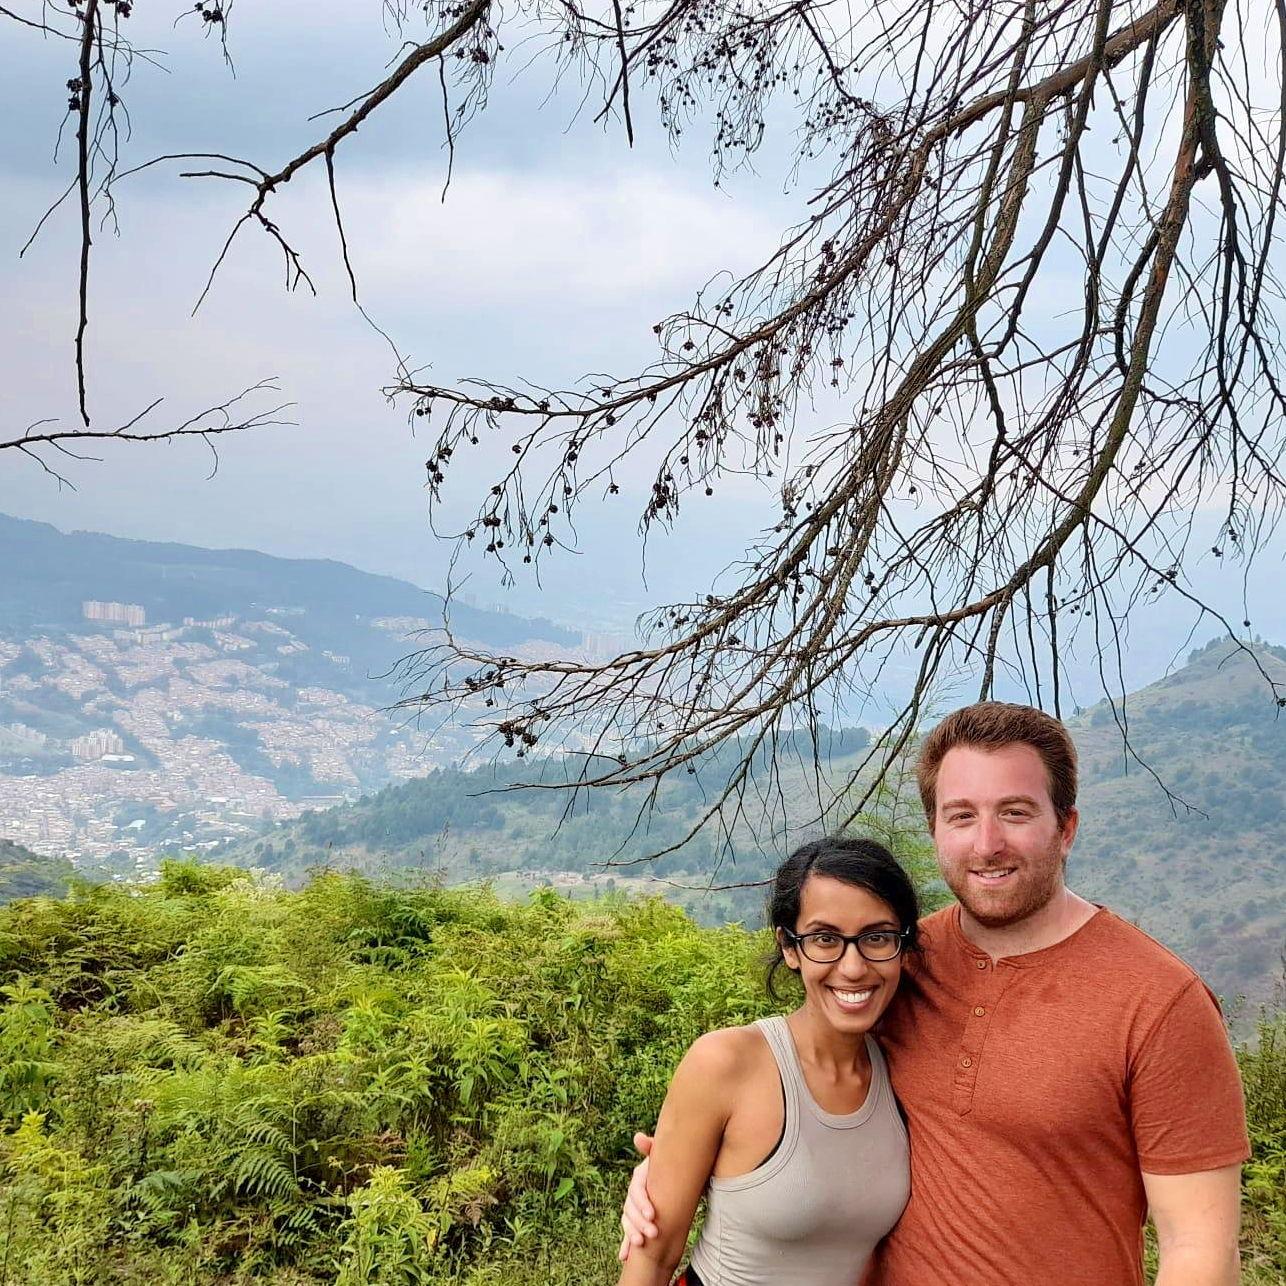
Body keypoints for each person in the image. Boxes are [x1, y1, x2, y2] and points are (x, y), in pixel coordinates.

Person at [620, 702, 1250, 1286]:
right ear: (935, 830)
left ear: (1066, 828)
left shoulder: (1159, 1001)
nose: (987, 843)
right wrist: (677, 1170)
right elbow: (797, 1090)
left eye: (1016, 811)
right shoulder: (895, 961)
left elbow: (1199, 1245)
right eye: (962, 815)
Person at [617, 836, 920, 1286]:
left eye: (877, 937)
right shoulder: (727, 1063)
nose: (853, 966)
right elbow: (652, 1257)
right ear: (789, 947)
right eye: (824, 938)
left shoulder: (902, 1066)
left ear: (903, 945)